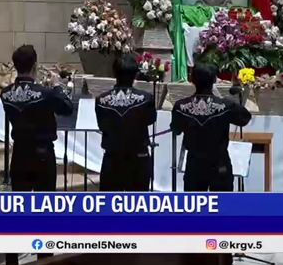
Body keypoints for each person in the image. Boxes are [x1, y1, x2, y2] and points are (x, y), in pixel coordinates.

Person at [0, 45, 73, 192]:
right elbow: (67, 108)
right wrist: (57, 85)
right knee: (44, 205)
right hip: (42, 155)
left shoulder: (5, 94)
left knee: (21, 205)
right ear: (34, 66)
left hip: (19, 155)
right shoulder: (46, 93)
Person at [171, 63, 251, 191]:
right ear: (214, 80)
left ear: (192, 80)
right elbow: (244, 118)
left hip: (194, 166)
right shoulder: (226, 106)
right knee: (222, 208)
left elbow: (176, 129)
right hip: (220, 165)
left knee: (195, 207)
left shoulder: (181, 106)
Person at [95, 54, 157, 191]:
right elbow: (151, 119)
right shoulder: (146, 99)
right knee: (137, 207)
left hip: (112, 160)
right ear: (135, 74)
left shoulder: (101, 100)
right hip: (138, 159)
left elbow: (102, 125)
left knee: (109, 207)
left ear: (114, 72)